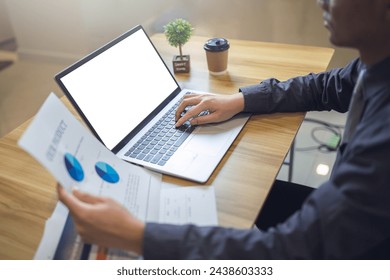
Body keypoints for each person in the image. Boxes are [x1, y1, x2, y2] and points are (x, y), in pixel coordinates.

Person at [57, 0, 390, 259]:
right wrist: (239, 101)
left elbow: (287, 252)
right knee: (231, 197)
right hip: (349, 223)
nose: (321, 2)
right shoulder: (375, 62)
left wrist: (136, 235)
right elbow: (325, 86)